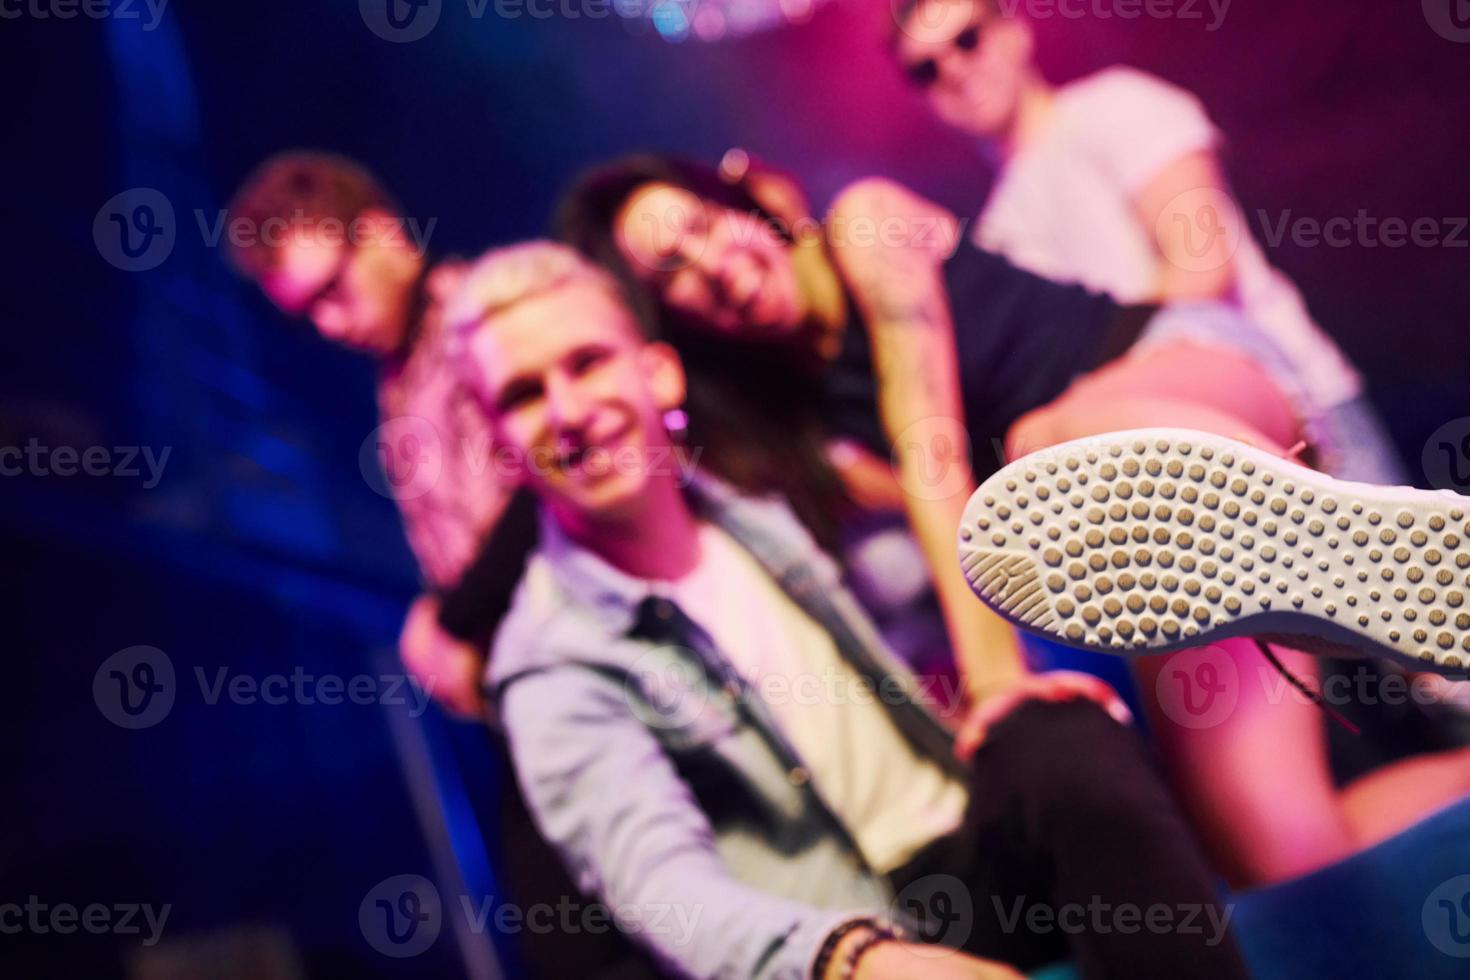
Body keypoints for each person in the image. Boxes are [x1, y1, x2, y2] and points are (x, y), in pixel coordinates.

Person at [554, 153, 1470, 887]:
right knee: (1280, 859)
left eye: (703, 226)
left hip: (1195, 377)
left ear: (747, 203)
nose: (711, 266)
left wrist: (997, 682)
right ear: (662, 319)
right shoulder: (807, 430)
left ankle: (1323, 556)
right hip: (1137, 533)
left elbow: (937, 459)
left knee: (1040, 444)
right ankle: (1316, 583)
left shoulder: (866, 224)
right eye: (670, 271)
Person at [450, 239, 1249, 979]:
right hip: (849, 936)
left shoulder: (755, 512)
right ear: (496, 446)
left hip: (969, 848)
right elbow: (665, 894)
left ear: (658, 375)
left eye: (586, 363)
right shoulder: (548, 662)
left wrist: (998, 688)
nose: (567, 410)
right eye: (524, 395)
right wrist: (854, 960)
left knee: (1060, 737)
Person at [889, 0, 1398, 485]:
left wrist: (1087, 397)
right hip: (1167, 453)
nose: (954, 70)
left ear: (1016, 30)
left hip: (1297, 400)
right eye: (926, 70)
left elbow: (1202, 266)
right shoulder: (994, 237)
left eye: (967, 39)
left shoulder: (1115, 106)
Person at [226, 151, 524, 717]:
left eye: (333, 289)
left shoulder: (490, 309)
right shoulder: (396, 383)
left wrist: (446, 622)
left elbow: (554, 487)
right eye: (310, 313)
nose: (330, 326)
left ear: (382, 231)